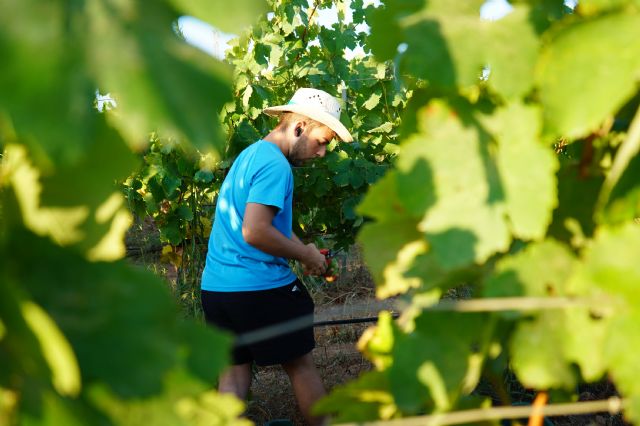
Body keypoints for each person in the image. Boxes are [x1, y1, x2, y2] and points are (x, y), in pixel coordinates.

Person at [200, 87, 353, 426]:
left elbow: (268, 224)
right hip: (260, 290)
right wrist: (303, 253)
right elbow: (255, 231)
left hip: (218, 291)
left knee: (233, 375)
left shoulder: (251, 155)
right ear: (299, 125)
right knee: (300, 366)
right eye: (322, 140)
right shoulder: (276, 167)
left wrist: (306, 253)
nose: (323, 152)